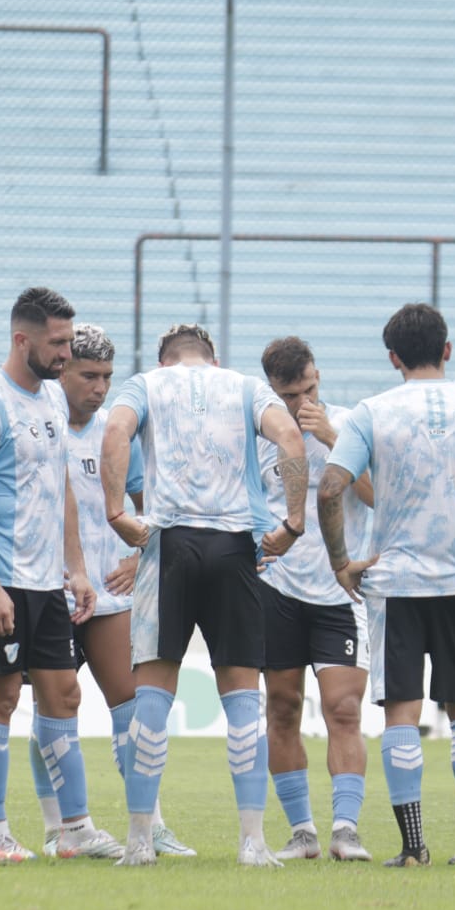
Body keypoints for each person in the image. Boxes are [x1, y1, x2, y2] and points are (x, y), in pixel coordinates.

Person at [319, 304, 455, 868]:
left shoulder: (372, 412)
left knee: (401, 711)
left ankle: (413, 847)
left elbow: (328, 490)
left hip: (396, 583)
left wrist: (343, 561)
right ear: (448, 349)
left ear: (393, 357)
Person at [102, 323, 308, 868]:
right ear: (212, 362)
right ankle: (252, 842)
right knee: (242, 698)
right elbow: (290, 436)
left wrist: (117, 513)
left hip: (169, 543)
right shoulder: (242, 387)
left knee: (153, 696)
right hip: (234, 544)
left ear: (166, 361)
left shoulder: (145, 385)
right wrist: (293, 522)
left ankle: (141, 841)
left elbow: (115, 431)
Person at [0, 287, 114, 862]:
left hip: (47, 581)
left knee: (63, 694)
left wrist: (77, 568)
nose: (66, 353)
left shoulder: (48, 401)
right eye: (58, 342)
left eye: (68, 341)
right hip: (1, 580)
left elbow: (63, 487)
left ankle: (73, 829)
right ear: (23, 340)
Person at [25, 323, 196, 857]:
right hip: (47, 586)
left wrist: (136, 553)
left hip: (110, 590)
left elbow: (149, 506)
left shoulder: (115, 434)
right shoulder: (39, 423)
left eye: (107, 377)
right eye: (89, 375)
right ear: (63, 371)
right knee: (55, 703)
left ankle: (152, 823)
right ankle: (60, 827)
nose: (100, 388)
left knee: (130, 700)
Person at [255, 336, 375, 863]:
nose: (297, 405)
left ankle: (345, 830)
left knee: (343, 709)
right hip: (277, 589)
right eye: (286, 396)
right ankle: (302, 832)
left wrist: (334, 438)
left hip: (339, 591)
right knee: (281, 710)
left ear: (318, 377)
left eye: (306, 390)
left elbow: (380, 496)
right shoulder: (258, 435)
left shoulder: (351, 424)